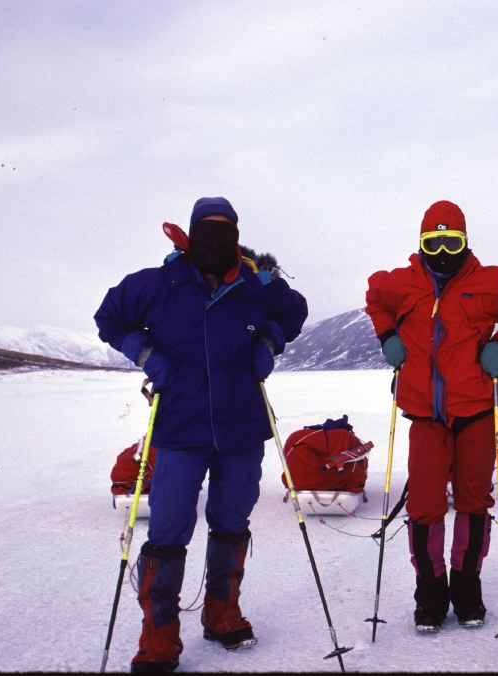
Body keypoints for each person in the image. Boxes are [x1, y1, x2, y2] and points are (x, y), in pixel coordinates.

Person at [95, 197, 308, 673]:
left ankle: (221, 613)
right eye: (206, 232)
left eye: (224, 231)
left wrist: (268, 343)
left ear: (236, 237)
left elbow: (294, 312)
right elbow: (109, 317)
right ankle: (158, 637)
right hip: (180, 426)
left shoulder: (256, 284)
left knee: (231, 521)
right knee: (167, 529)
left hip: (241, 425)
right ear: (191, 236)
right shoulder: (160, 283)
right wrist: (147, 356)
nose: (215, 242)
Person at [364, 200, 498, 631]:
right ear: (421, 242)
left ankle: (466, 586)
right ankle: (430, 591)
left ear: (465, 241)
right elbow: (375, 297)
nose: (442, 252)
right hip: (425, 415)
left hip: (476, 410)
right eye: (433, 242)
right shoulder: (400, 282)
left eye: (452, 242)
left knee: (474, 503)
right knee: (424, 505)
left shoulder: (491, 282)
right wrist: (388, 336)